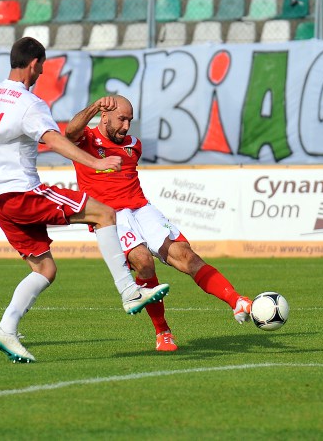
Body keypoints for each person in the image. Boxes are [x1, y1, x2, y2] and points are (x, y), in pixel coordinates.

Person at [0, 38, 169, 363]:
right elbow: (55, 140)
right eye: (42, 67)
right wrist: (97, 163)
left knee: (45, 268)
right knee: (104, 213)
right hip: (21, 192)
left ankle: (6, 328)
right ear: (35, 64)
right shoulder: (29, 103)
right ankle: (129, 292)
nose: (42, 73)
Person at [65, 95, 253, 352]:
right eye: (122, 119)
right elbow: (70, 131)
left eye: (130, 120)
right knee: (143, 261)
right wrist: (95, 106)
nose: (126, 127)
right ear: (104, 116)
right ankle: (162, 331)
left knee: (186, 256)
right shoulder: (85, 140)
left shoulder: (134, 145)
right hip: (110, 216)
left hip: (142, 209)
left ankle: (237, 301)